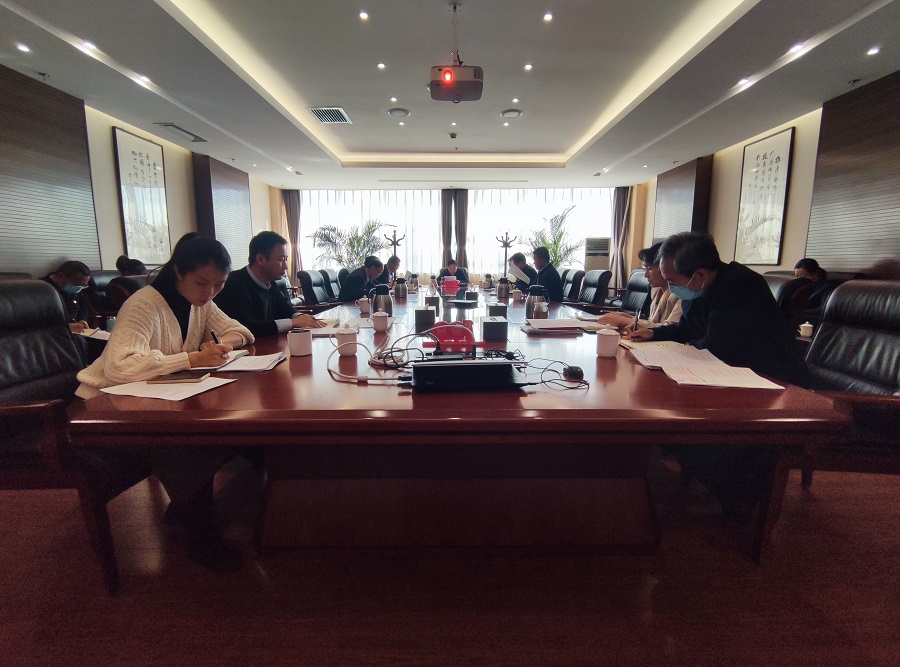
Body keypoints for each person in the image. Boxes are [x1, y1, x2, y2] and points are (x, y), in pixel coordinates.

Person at [75, 237, 255, 572]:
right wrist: (191, 358)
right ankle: (201, 536)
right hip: (103, 409)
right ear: (178, 271)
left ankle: (187, 505)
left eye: (219, 284)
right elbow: (120, 368)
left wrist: (223, 345)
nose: (210, 292)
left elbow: (241, 331)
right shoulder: (143, 305)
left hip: (152, 398)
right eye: (202, 282)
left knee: (231, 426)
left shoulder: (201, 302)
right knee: (188, 440)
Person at [631, 232, 808, 520]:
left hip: (772, 386)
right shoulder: (698, 287)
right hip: (729, 373)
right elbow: (688, 330)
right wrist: (653, 334)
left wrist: (675, 354)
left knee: (688, 425)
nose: (670, 287)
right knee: (665, 406)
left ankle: (738, 501)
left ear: (699, 275)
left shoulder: (740, 286)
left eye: (673, 281)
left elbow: (717, 346)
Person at [214, 231, 324, 336]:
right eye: (280, 260)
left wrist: (301, 317)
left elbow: (285, 309)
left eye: (285, 259)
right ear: (260, 259)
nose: (285, 266)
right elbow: (245, 327)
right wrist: (293, 323)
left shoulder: (270, 283)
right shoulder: (234, 284)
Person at [597, 242, 682, 330]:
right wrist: (628, 317)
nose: (646, 275)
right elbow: (652, 322)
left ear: (665, 267)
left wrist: (626, 321)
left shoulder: (682, 294)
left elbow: (671, 330)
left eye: (649, 268)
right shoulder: (656, 291)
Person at [42, 260, 92, 333]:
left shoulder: (76, 289)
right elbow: (41, 320)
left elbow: (83, 307)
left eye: (83, 286)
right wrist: (64, 327)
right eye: (77, 285)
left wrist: (82, 320)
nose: (79, 288)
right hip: (55, 332)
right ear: (61, 276)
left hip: (77, 330)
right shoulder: (41, 288)